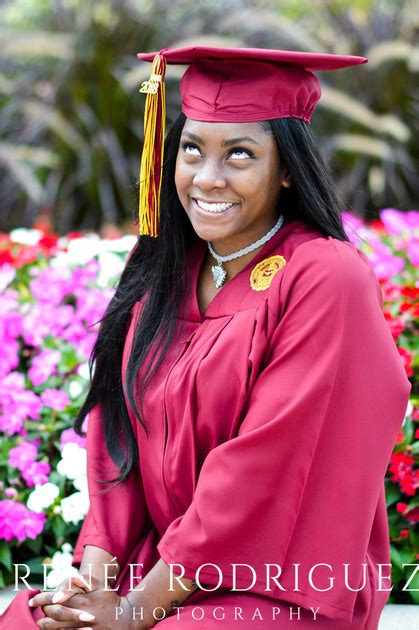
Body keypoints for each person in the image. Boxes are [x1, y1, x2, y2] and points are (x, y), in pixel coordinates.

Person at [1, 46, 411, 630]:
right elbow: (115, 438)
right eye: (193, 149)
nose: (207, 177)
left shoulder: (323, 275)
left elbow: (264, 471)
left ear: (289, 168)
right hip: (161, 573)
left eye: (240, 154)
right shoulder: (165, 272)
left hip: (278, 586)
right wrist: (94, 593)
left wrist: (132, 614)